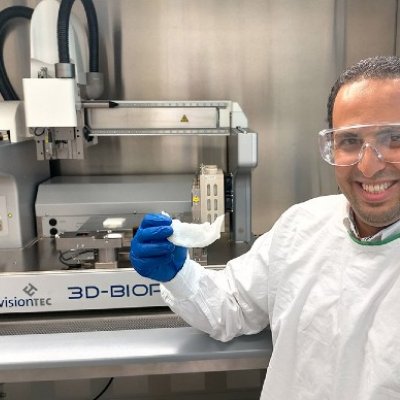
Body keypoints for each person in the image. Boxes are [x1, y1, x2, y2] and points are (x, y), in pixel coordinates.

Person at [130, 55, 400, 400]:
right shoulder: (302, 226)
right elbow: (231, 307)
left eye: (394, 137)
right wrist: (176, 271)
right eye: (349, 141)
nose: (369, 165)